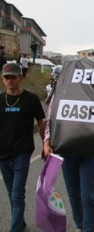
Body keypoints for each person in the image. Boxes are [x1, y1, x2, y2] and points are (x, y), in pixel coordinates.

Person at [43, 65, 94, 232]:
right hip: (66, 152)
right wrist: (46, 142)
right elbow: (49, 122)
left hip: (88, 152)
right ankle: (81, 225)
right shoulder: (56, 96)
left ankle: (88, 229)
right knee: (74, 195)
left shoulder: (91, 93)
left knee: (87, 197)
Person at [0, 62, 46, 232]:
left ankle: (15, 228)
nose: (10, 80)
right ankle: (20, 221)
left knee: (17, 192)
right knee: (11, 192)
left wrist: (44, 144)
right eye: (7, 77)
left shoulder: (31, 99)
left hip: (22, 152)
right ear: (3, 79)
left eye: (13, 77)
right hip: (2, 153)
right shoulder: (0, 100)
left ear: (20, 78)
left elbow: (41, 122)